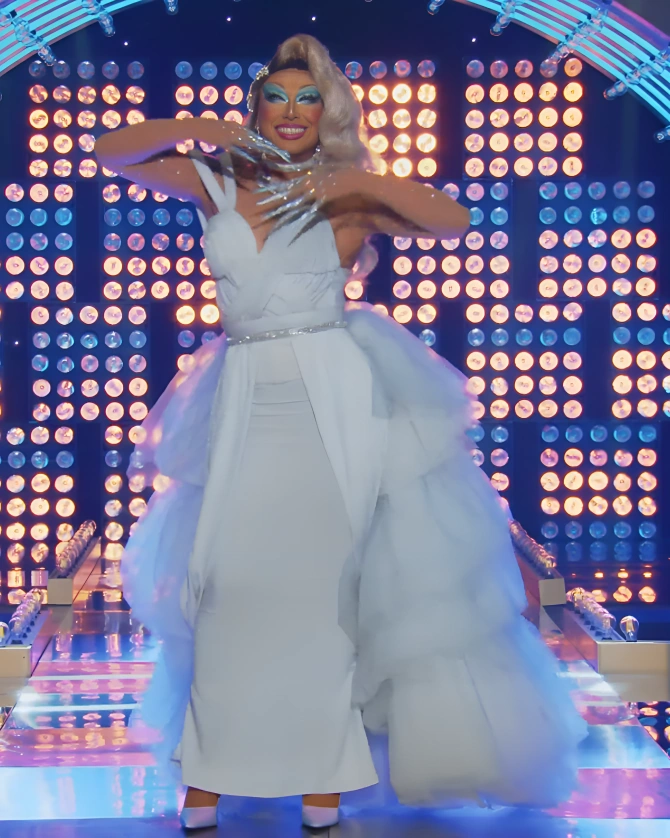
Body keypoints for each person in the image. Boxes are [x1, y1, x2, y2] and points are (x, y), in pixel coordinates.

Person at [96, 33, 587, 833]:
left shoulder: (348, 196)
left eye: (308, 99)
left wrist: (348, 177)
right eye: (276, 98)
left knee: (327, 597)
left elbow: (453, 219)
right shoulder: (215, 180)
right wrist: (202, 129)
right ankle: (209, 778)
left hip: (333, 393)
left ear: (326, 112)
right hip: (241, 390)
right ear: (256, 108)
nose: (291, 112)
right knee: (227, 591)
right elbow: (110, 151)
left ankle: (321, 790)